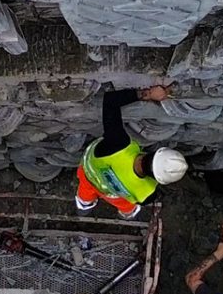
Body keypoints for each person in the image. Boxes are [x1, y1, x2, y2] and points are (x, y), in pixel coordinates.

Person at [76, 84, 188, 219]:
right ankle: (127, 214)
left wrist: (147, 94)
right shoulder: (147, 194)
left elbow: (110, 101)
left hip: (89, 173)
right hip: (112, 194)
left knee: (84, 192)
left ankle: (84, 206)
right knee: (126, 205)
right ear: (158, 180)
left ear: (156, 152)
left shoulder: (118, 143)